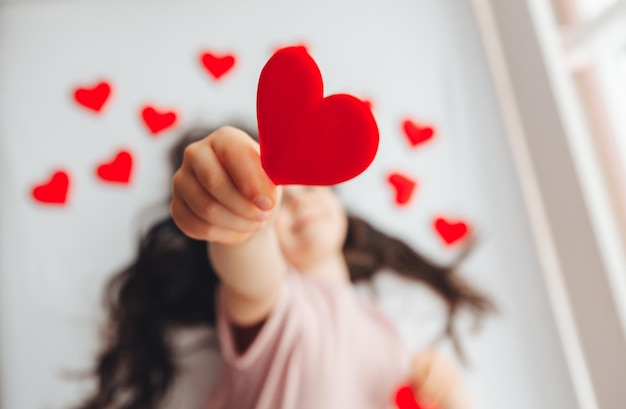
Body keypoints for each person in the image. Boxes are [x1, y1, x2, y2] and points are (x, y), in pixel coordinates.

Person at [76, 125, 494, 409]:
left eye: (310, 187)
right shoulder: (279, 306)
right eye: (278, 200)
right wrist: (240, 216)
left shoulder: (386, 330)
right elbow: (247, 267)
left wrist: (445, 394)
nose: (297, 202)